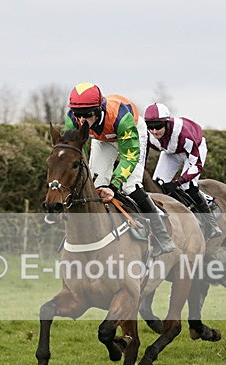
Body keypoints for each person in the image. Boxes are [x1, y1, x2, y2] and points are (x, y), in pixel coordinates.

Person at [64, 82, 174, 255]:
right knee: (96, 185)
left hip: (131, 132)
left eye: (87, 114)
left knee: (130, 186)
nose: (82, 120)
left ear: (98, 110)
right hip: (103, 139)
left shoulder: (121, 118)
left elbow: (129, 156)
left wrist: (114, 185)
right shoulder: (72, 119)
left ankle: (162, 235)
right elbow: (74, 152)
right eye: (78, 114)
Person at [143, 102, 222, 240]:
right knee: (158, 184)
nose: (154, 131)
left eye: (158, 126)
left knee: (187, 186)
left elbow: (196, 165)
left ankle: (211, 224)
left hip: (194, 150)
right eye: (150, 127)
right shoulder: (147, 134)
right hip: (171, 152)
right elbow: (143, 157)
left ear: (167, 123)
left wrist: (178, 181)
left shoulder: (183, 134)